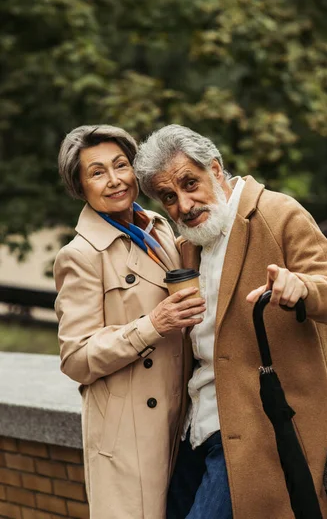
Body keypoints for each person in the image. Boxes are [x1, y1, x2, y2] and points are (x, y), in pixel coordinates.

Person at [134, 125, 327, 519]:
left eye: (191, 183)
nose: (184, 205)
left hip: (256, 431)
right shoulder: (186, 245)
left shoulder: (278, 214)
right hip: (194, 428)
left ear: (216, 169)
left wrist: (305, 288)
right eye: (169, 197)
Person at [54, 125, 205, 519]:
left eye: (121, 165)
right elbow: (76, 357)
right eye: (97, 172)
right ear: (80, 186)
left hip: (183, 420)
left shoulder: (156, 225)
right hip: (129, 436)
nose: (115, 180)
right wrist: (152, 324)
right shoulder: (81, 255)